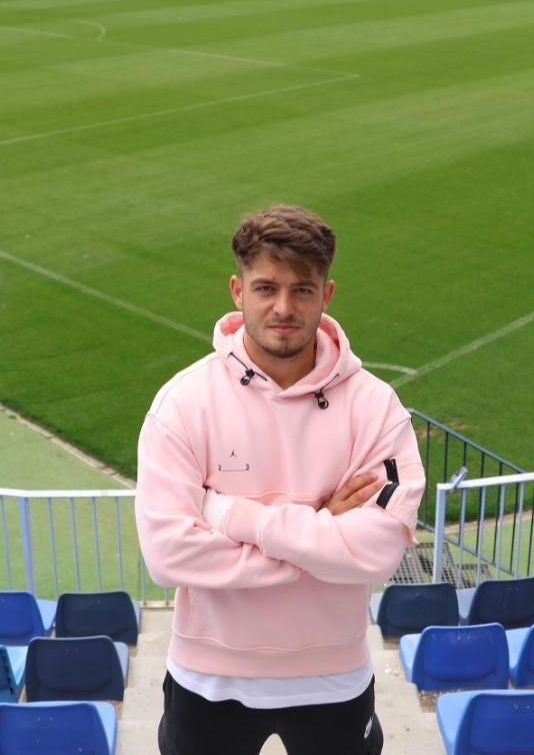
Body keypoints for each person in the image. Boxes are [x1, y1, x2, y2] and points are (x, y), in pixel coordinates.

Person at [136, 204, 426, 755]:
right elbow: (168, 556)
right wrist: (321, 531)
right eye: (266, 288)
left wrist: (232, 516)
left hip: (335, 678)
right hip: (208, 679)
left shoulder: (376, 408)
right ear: (237, 291)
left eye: (302, 290)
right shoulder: (183, 403)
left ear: (327, 294)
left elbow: (377, 553)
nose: (284, 308)